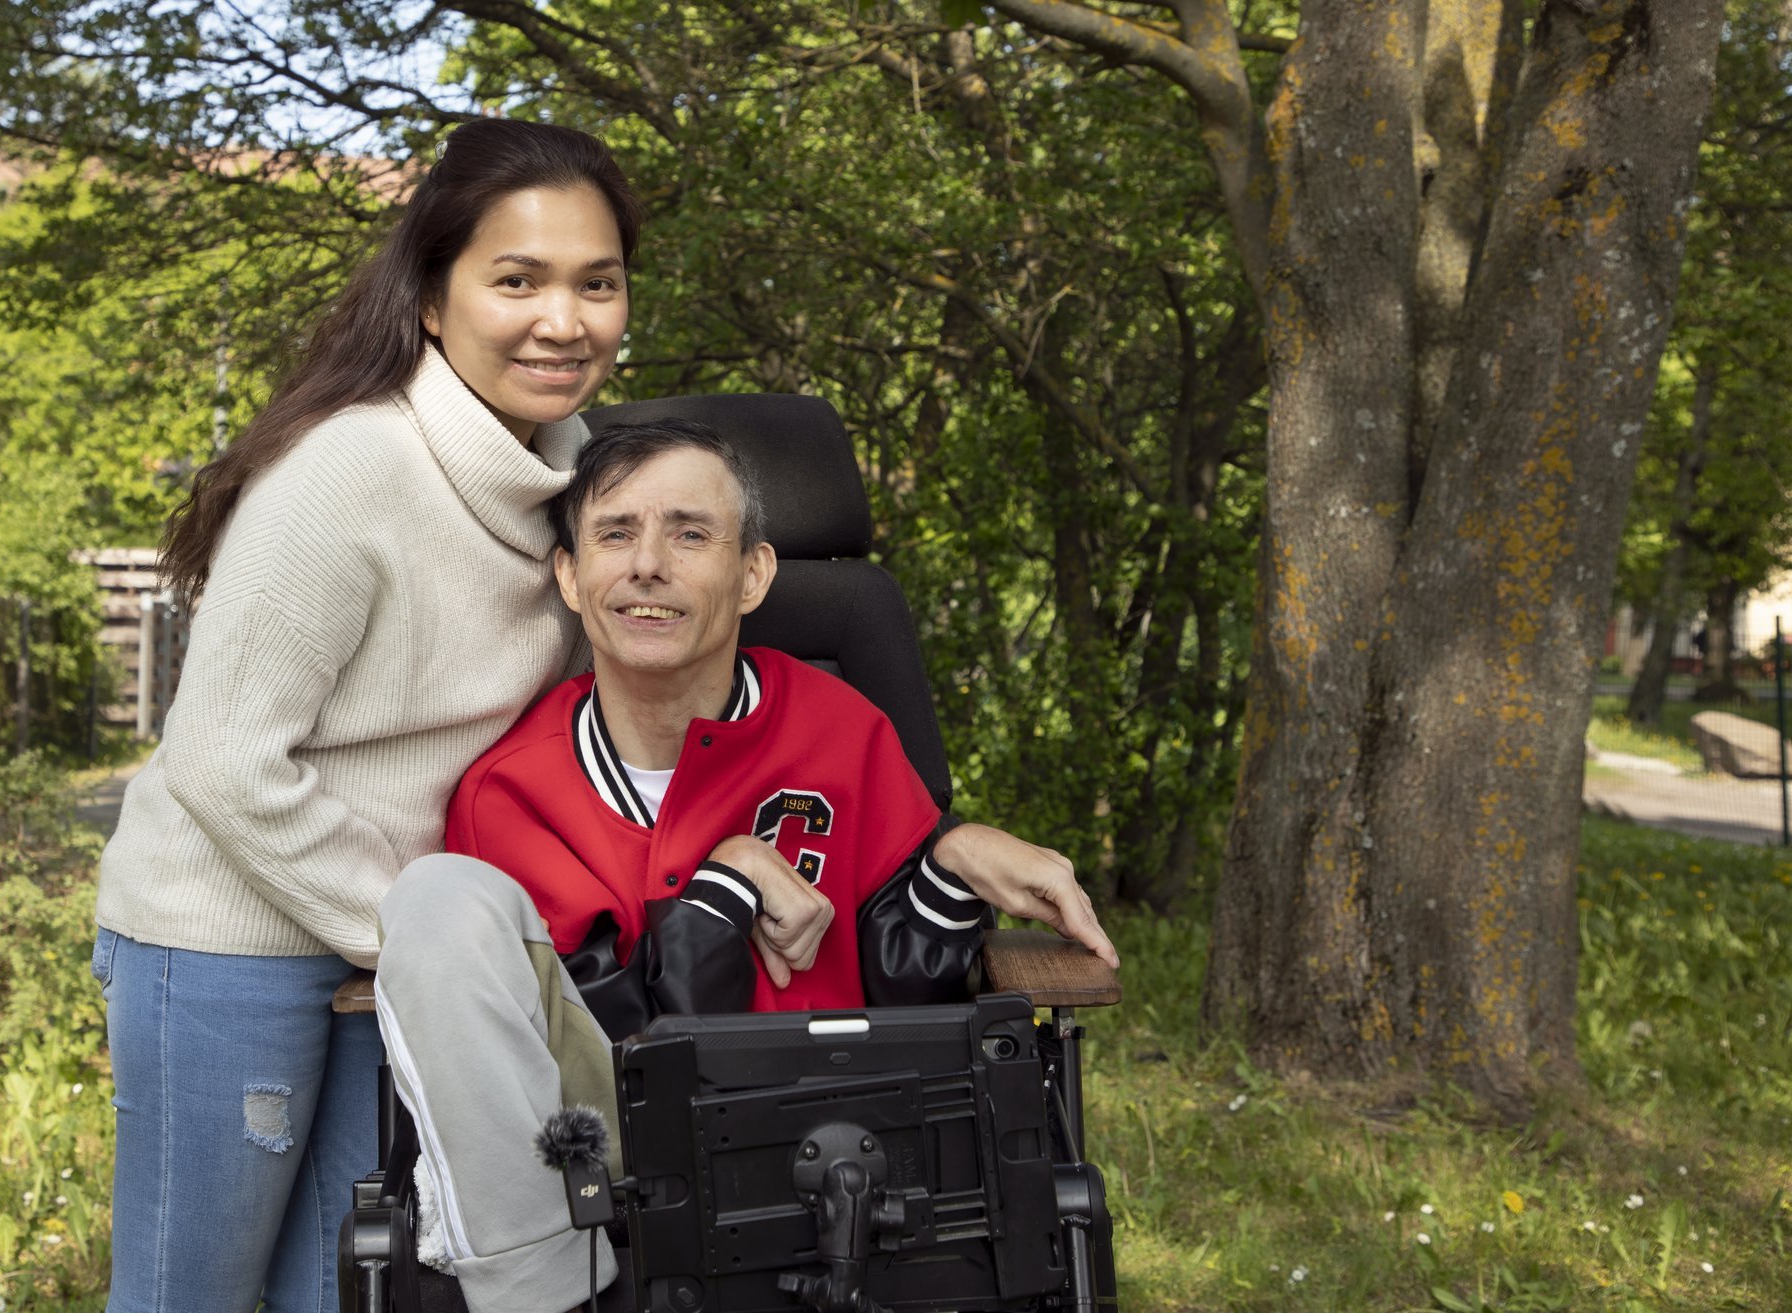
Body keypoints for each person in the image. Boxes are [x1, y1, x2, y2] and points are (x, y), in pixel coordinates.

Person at [373, 420, 1119, 1313]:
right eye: (616, 533)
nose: (648, 563)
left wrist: (950, 857)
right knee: (437, 897)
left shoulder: (842, 728)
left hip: (853, 1154)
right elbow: (611, 1043)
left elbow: (913, 984)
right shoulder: (513, 788)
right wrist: (725, 883)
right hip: (627, 1195)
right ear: (570, 575)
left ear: (754, 571)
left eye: (690, 533)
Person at [88, 118, 642, 1313]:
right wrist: (406, 937)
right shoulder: (353, 467)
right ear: (434, 301)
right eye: (517, 279)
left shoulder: (576, 470)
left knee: (345, 1296)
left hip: (380, 947)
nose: (564, 319)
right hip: (227, 938)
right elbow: (225, 757)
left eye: (596, 282)